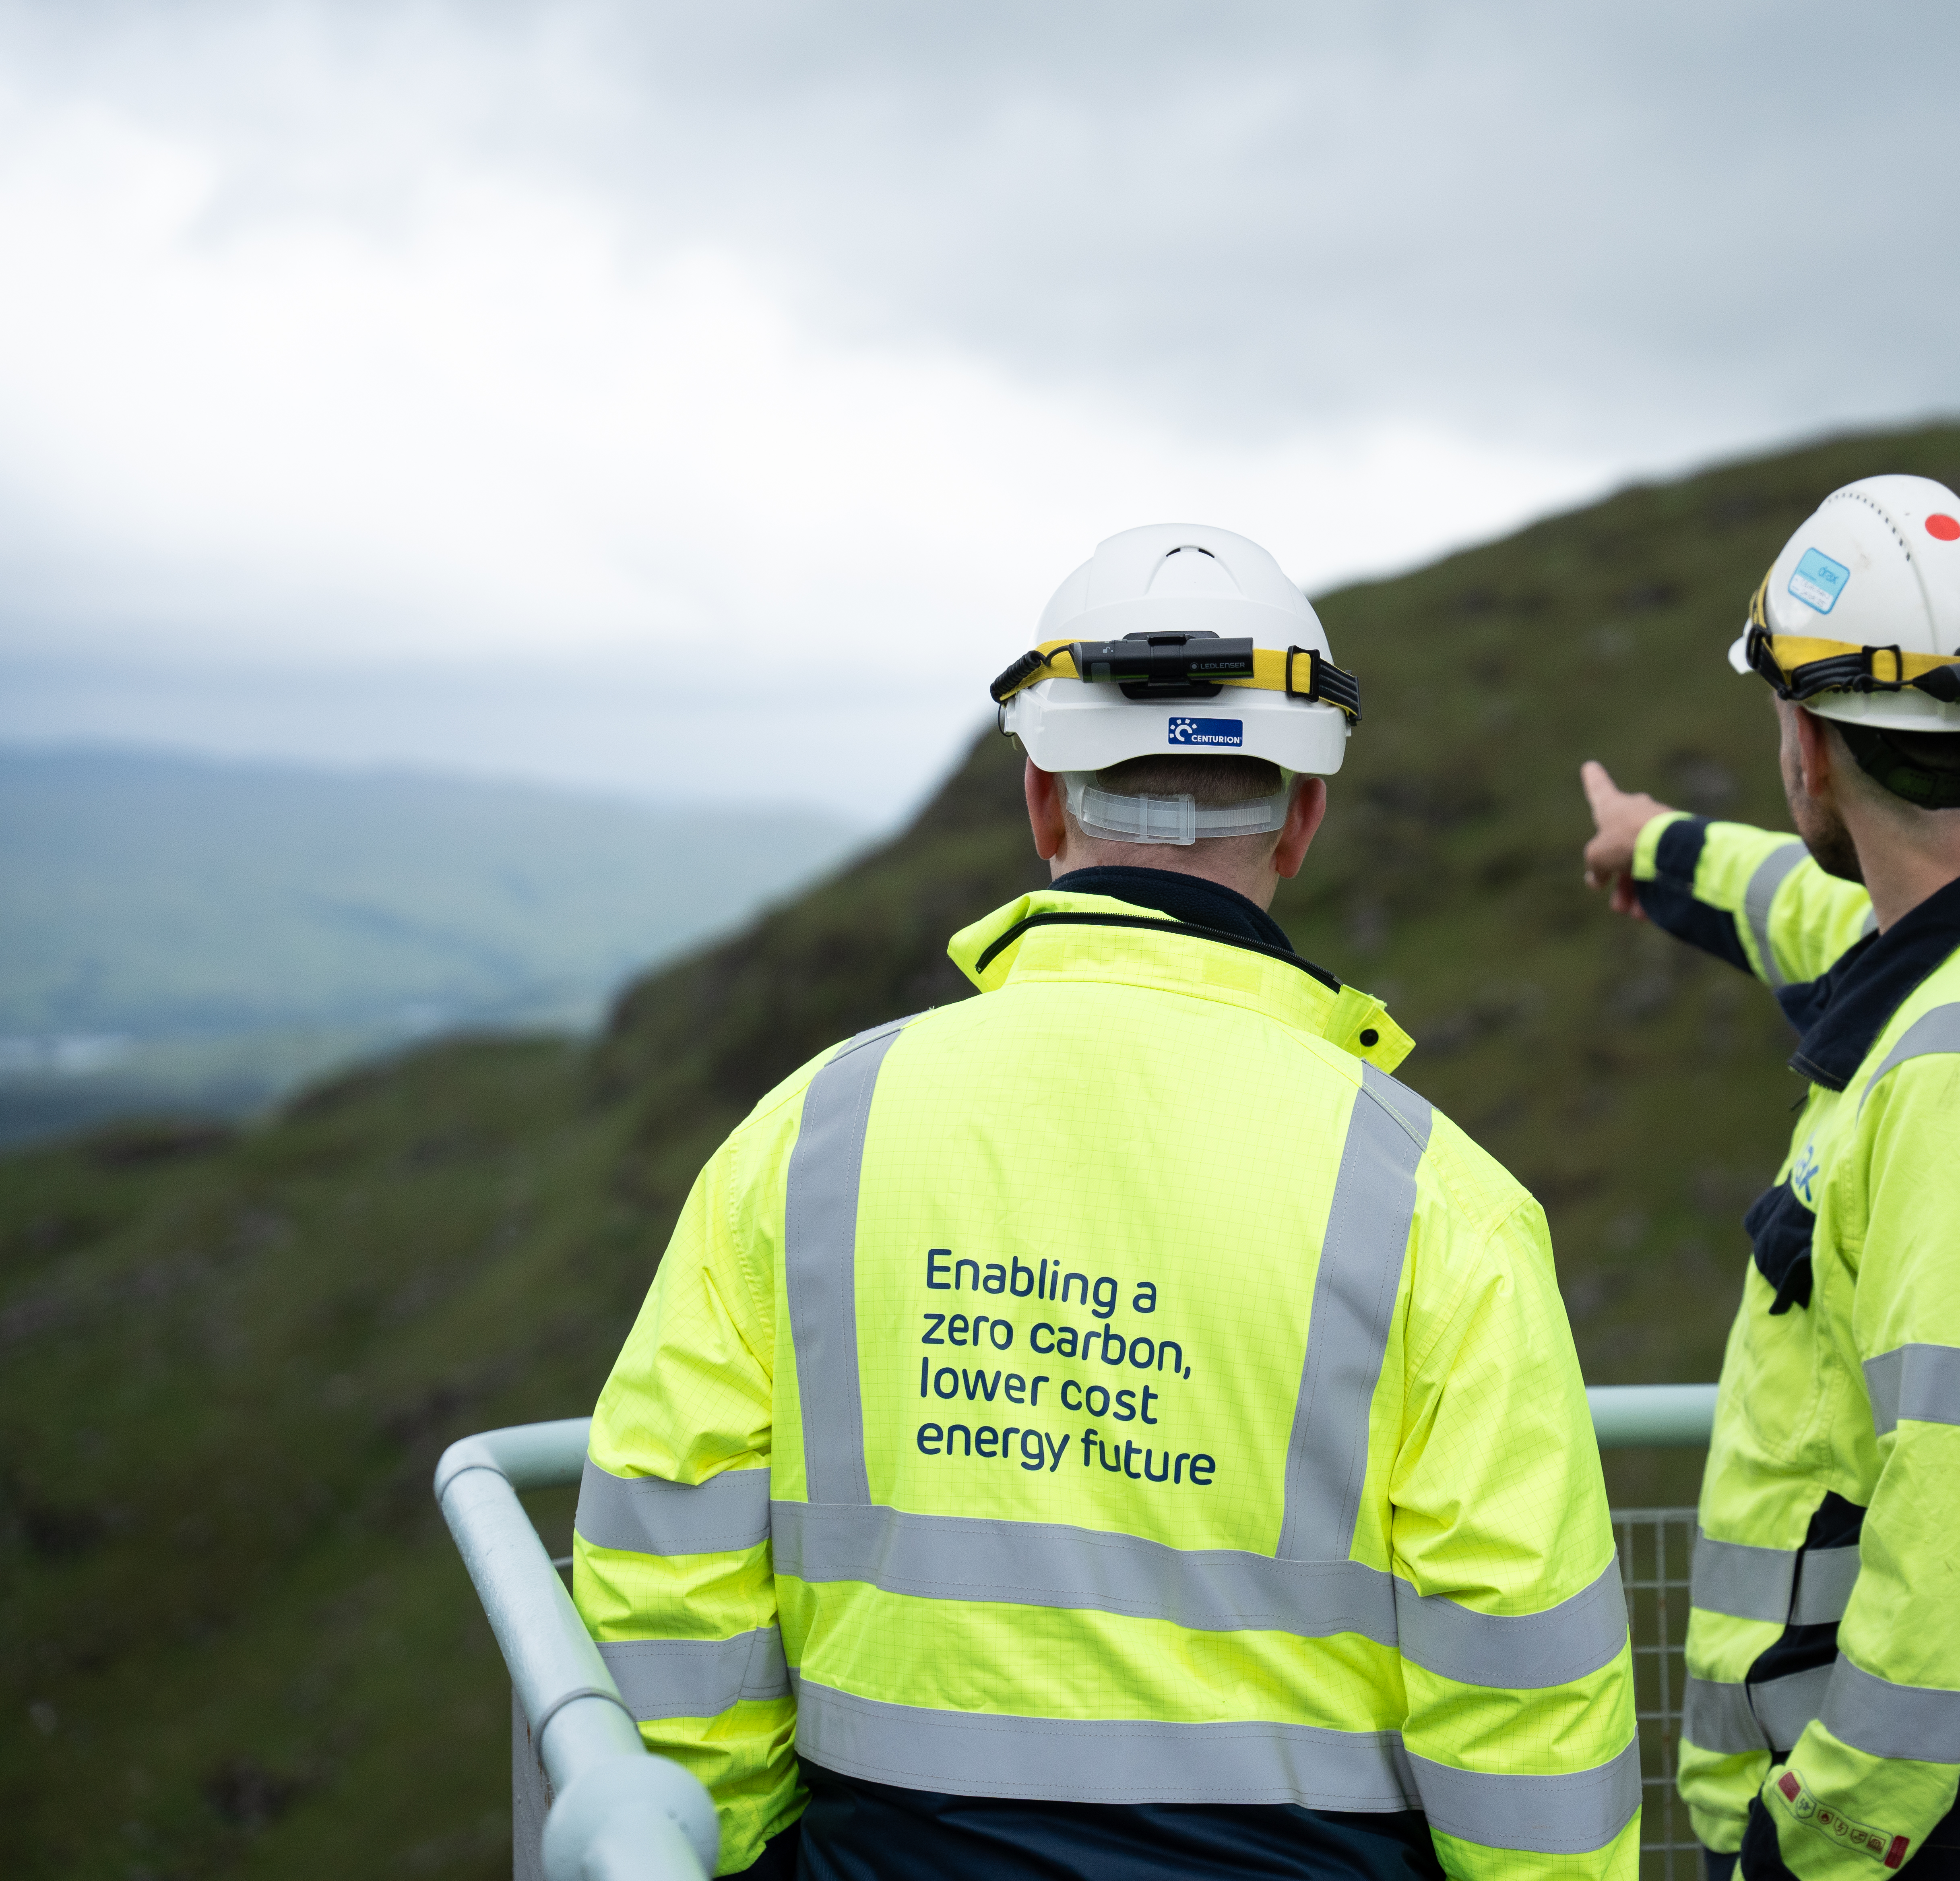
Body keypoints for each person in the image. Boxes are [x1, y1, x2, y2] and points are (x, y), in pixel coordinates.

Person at [574, 524, 1641, 1880]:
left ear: (1042, 801)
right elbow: (1526, 1683)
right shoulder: (1440, 1202)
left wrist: (714, 1849)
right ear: (1303, 820)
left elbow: (667, 1554)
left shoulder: (807, 1136)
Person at [1575, 477, 1960, 1879]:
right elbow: (1815, 910)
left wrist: (1820, 1840)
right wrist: (1657, 851)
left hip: (1917, 1835)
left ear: (1806, 741)